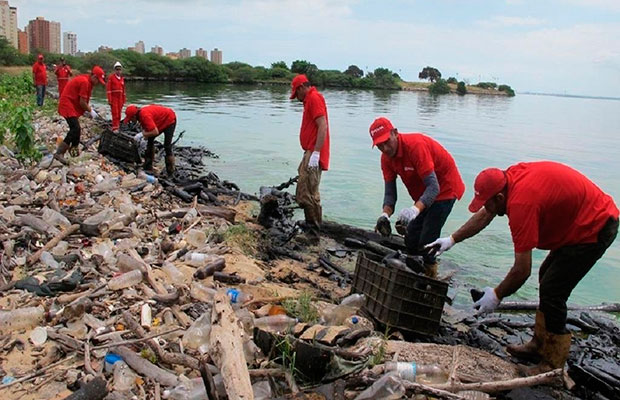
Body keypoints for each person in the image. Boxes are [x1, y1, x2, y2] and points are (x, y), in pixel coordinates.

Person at [426, 161, 618, 373]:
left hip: (596, 225)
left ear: (499, 198)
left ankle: (552, 366)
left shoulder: (522, 204)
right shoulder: (507, 181)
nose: (484, 207)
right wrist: (452, 239)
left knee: (553, 291)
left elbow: (522, 270)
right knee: (546, 276)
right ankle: (538, 344)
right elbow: (486, 213)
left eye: (486, 202)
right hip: (577, 220)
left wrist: (496, 295)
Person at [369, 117, 464, 277]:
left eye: (387, 141)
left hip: (445, 189)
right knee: (411, 239)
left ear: (395, 133)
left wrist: (414, 210)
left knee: (427, 242)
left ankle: (430, 277)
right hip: (425, 194)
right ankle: (414, 272)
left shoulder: (415, 146)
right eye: (379, 145)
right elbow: (390, 193)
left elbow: (434, 188)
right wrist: (385, 214)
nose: (385, 148)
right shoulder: (386, 159)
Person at [289, 74, 330, 245]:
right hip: (310, 151)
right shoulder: (310, 100)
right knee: (306, 191)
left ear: (300, 88)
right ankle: (313, 230)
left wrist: (316, 153)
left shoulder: (314, 98)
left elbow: (323, 126)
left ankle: (313, 235)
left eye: (296, 94)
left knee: (308, 193)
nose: (296, 99)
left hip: (314, 152)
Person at [55, 66, 106, 164]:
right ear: (94, 76)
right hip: (67, 105)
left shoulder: (87, 81)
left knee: (77, 130)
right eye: (98, 80)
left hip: (71, 104)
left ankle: (74, 152)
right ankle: (59, 153)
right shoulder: (85, 82)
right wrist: (91, 111)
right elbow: (82, 102)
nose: (98, 83)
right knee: (75, 128)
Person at [123, 104, 177, 176]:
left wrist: (141, 135)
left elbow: (155, 132)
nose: (131, 121)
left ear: (134, 116)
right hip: (159, 121)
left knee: (167, 146)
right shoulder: (141, 116)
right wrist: (144, 139)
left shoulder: (144, 116)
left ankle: (170, 172)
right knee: (149, 141)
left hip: (169, 119)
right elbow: (148, 129)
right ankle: (148, 166)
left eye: (131, 119)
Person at [106, 61, 126, 132]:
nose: (118, 71)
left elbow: (123, 90)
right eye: (117, 69)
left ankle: (118, 126)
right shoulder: (111, 78)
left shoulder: (122, 79)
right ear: (115, 70)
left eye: (119, 69)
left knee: (119, 113)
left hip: (120, 98)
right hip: (114, 98)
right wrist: (109, 99)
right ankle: (115, 127)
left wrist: (124, 99)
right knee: (115, 113)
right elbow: (108, 89)